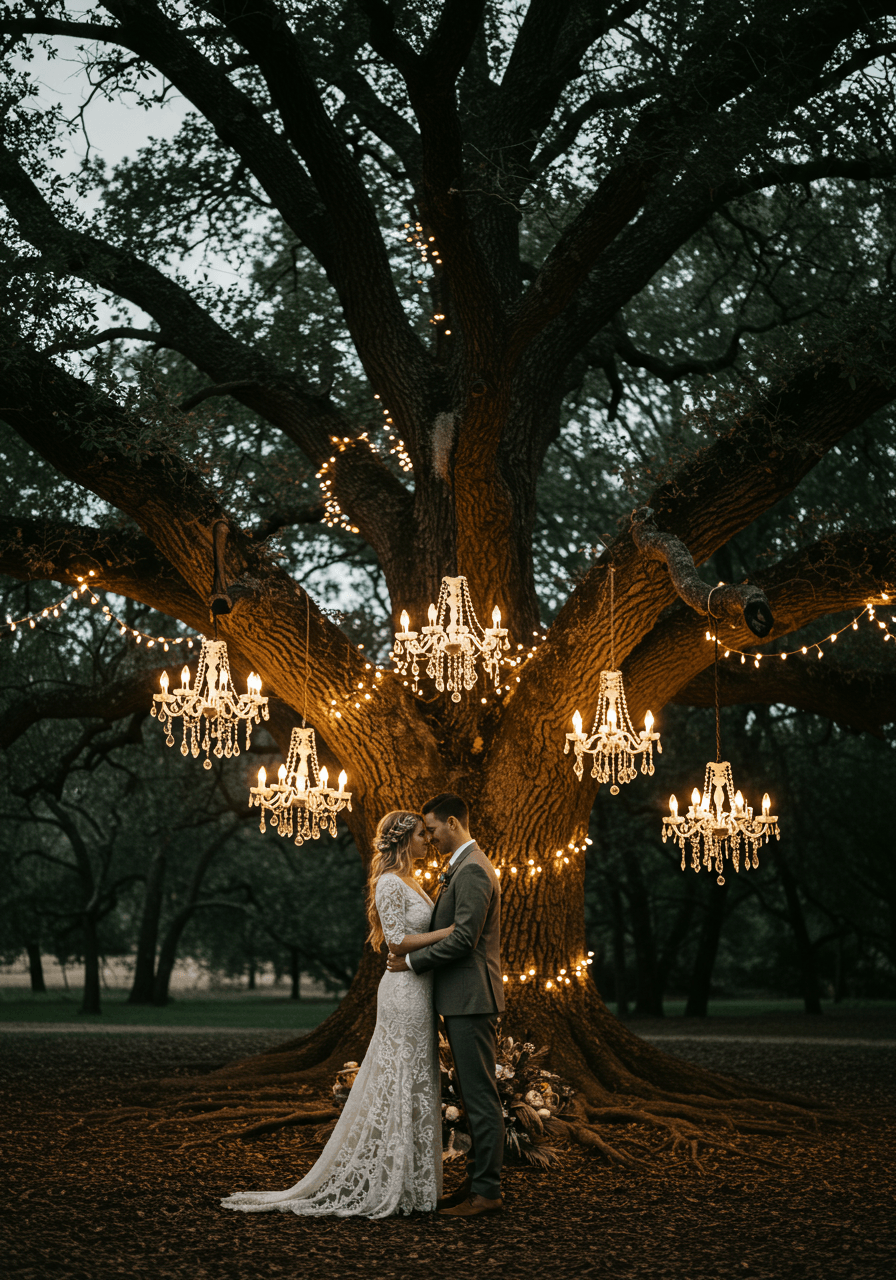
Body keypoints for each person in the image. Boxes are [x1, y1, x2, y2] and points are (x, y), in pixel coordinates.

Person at [221, 811, 453, 1219]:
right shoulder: (388, 882)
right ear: (402, 841)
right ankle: (389, 1181)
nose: (426, 841)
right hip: (403, 993)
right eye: (420, 835)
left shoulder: (414, 880)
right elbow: (397, 942)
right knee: (399, 1079)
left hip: (421, 990)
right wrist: (452, 932)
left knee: (417, 1079)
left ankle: (415, 1184)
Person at [387, 792, 505, 1218]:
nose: (430, 836)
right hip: (461, 1000)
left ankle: (487, 1193)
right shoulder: (463, 867)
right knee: (473, 1097)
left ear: (453, 823)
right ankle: (475, 1185)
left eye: (432, 828)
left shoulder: (473, 870)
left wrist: (411, 961)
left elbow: (463, 939)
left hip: (472, 1000)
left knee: (480, 1098)